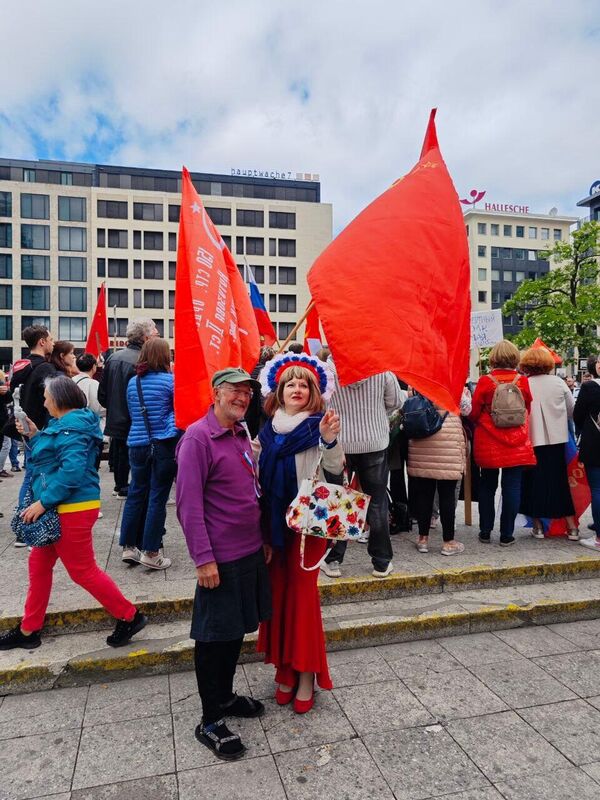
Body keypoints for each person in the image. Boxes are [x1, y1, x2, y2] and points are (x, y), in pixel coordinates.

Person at [0, 376, 147, 651]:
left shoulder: (71, 429)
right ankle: (29, 629)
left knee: (82, 571)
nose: (44, 402)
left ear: (58, 399)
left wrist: (43, 502)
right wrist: (33, 433)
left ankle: (130, 616)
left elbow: (72, 472)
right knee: (39, 566)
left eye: (46, 397)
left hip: (71, 508)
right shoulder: (65, 425)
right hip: (64, 506)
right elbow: (52, 457)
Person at [176, 368, 272, 761]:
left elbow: (251, 490)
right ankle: (210, 719)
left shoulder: (239, 433)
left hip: (249, 550)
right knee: (214, 637)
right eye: (234, 391)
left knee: (234, 632)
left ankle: (226, 696)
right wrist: (203, 559)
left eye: (247, 393)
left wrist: (263, 537)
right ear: (216, 393)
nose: (242, 398)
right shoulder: (198, 438)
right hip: (219, 558)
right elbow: (188, 505)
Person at [256, 353, 342, 712]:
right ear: (279, 390)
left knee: (303, 598)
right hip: (272, 527)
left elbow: (336, 467)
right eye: (290, 383)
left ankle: (306, 673)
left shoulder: (319, 425)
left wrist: (329, 442)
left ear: (313, 392)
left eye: (303, 383)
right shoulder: (266, 430)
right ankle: (285, 668)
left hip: (308, 526)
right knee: (278, 595)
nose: (296, 388)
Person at [321, 360, 403, 578]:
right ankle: (381, 561)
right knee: (377, 502)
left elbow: (320, 404)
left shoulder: (327, 370)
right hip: (374, 442)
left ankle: (334, 559)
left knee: (338, 499)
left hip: (339, 443)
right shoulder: (382, 368)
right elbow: (395, 401)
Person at [119, 338, 180, 569]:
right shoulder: (170, 381)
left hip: (136, 444)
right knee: (157, 497)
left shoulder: (133, 383)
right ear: (165, 357)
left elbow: (131, 412)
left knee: (136, 493)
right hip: (162, 444)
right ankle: (151, 551)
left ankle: (128, 547)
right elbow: (177, 413)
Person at [470, 340, 535, 545]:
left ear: (494, 358)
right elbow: (528, 408)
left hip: (488, 439)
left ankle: (485, 531)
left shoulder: (485, 381)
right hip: (516, 441)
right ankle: (507, 534)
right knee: (512, 487)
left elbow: (473, 412)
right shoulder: (522, 381)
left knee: (487, 485)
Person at [519, 348, 577, 539]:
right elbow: (571, 411)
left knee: (533, 483)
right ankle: (572, 527)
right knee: (559, 483)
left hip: (532, 441)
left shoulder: (524, 383)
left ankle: (538, 527)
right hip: (556, 440)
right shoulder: (559, 383)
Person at [98, 318, 158, 497]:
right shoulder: (144, 361)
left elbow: (102, 394)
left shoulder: (113, 358)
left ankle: (121, 486)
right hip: (136, 419)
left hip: (116, 417)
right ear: (146, 338)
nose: (158, 333)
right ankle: (132, 486)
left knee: (120, 452)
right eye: (155, 331)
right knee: (137, 455)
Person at [407, 397, 467, 555]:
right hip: (448, 443)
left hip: (423, 441)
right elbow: (468, 410)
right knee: (447, 495)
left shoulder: (419, 385)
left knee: (425, 495)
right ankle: (448, 542)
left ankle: (423, 540)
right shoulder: (453, 387)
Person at [9, 325, 57, 516]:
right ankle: (25, 522)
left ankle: (26, 519)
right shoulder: (45, 368)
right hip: (39, 429)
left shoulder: (22, 366)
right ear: (42, 342)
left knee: (31, 473)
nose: (53, 343)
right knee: (33, 476)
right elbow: (54, 399)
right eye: (51, 339)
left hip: (23, 426)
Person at [574, 355, 600, 550]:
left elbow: (578, 414)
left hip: (595, 442)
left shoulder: (590, 387)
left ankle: (599, 537)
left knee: (598, 489)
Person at [73, 353, 104, 418]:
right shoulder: (93, 384)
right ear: (93, 367)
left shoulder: (70, 380)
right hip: (87, 421)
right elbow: (98, 409)